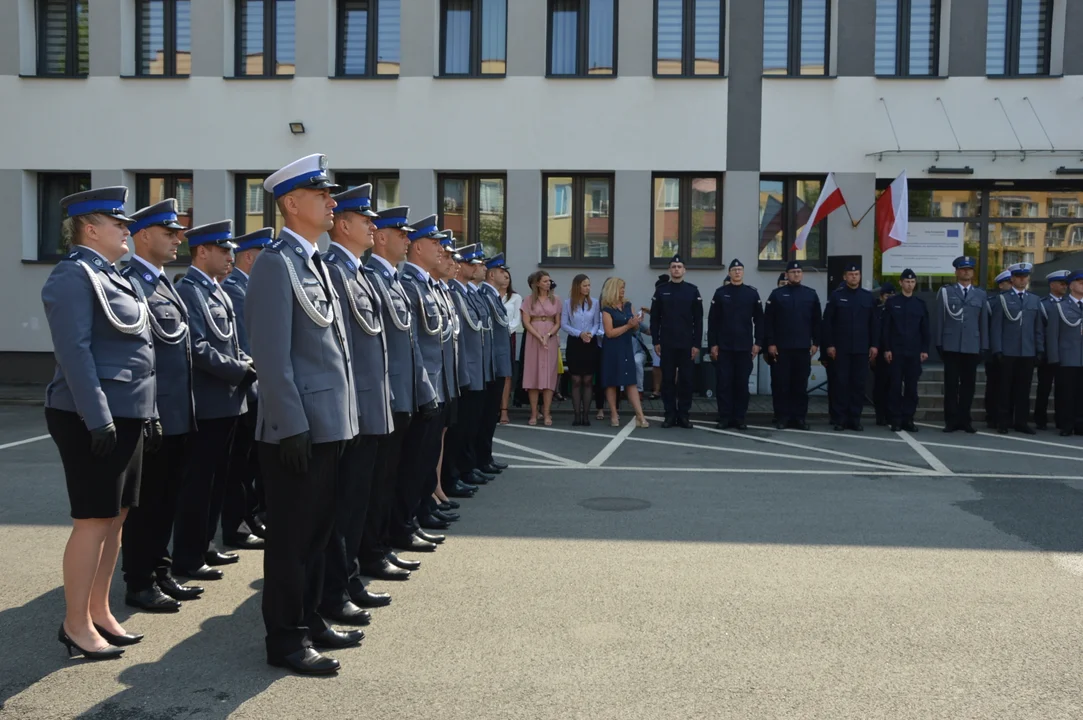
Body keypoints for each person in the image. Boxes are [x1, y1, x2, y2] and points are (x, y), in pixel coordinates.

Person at [246, 154, 361, 675]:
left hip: (329, 423)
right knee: (291, 541)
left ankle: (310, 619)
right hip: (298, 430)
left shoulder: (313, 261)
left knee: (318, 533)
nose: (331, 201)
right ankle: (286, 640)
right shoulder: (276, 263)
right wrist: (290, 424)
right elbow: (270, 356)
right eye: (322, 194)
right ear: (292, 204)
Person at [43, 186, 157, 659]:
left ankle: (99, 610)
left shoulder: (112, 275)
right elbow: (75, 352)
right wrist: (99, 417)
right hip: (91, 415)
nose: (127, 230)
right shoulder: (72, 277)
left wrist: (143, 412)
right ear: (91, 229)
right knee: (92, 520)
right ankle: (74, 624)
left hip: (126, 412)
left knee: (116, 519)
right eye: (119, 224)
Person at [119, 199, 202, 614]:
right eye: (169, 233)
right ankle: (139, 579)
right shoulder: (130, 281)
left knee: (167, 497)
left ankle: (160, 568)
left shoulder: (166, 281)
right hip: (154, 414)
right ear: (143, 235)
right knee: (146, 503)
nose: (178, 239)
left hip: (178, 413)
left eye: (178, 232)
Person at [320, 183, 394, 621]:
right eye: (366, 220)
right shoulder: (335, 269)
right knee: (344, 506)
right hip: (353, 408)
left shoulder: (358, 270)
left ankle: (347, 580)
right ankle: (338, 587)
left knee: (358, 500)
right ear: (343, 225)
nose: (373, 227)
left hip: (368, 404)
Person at [359, 206, 440, 581]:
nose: (406, 239)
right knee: (378, 483)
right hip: (386, 399)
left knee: (393, 476)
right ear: (381, 238)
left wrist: (422, 391)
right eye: (400, 233)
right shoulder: (374, 277)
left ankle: (389, 539)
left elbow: (410, 344)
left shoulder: (391, 280)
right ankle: (377, 548)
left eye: (409, 234)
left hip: (404, 395)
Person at [173, 221, 254, 582]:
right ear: (202, 251)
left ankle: (205, 543)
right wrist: (240, 370)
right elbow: (199, 347)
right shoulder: (190, 290)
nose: (230, 257)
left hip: (228, 402)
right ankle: (188, 556)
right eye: (223, 251)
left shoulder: (217, 290)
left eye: (231, 251)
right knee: (199, 484)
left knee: (220, 479)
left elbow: (230, 341)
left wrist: (242, 367)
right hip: (208, 403)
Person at [399, 214, 458, 536]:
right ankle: (414, 514)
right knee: (416, 458)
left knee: (427, 453)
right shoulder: (410, 284)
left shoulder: (427, 285)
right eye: (434, 244)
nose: (441, 250)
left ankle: (423, 508)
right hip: (424, 386)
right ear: (418, 247)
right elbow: (415, 344)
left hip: (437, 383)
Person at [220, 227, 272, 550]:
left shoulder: (248, 287)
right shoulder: (238, 290)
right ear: (251, 257)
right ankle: (239, 521)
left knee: (251, 464)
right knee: (240, 466)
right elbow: (249, 340)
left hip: (256, 387)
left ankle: (250, 516)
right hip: (248, 387)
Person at [764, 261, 821, 431]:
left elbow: (817, 321)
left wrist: (816, 342)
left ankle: (799, 418)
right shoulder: (777, 295)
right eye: (793, 271)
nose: (796, 274)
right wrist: (771, 343)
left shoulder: (811, 295)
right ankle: (782, 417)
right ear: (787, 274)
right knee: (783, 384)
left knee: (800, 385)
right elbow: (769, 322)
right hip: (782, 348)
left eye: (799, 271)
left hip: (803, 348)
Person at [707, 258, 763, 430]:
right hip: (724, 347)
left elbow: (760, 320)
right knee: (724, 383)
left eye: (740, 269)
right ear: (729, 273)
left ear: (743, 272)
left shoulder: (751, 293)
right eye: (734, 269)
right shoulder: (720, 293)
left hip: (744, 347)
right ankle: (724, 417)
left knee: (741, 384)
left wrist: (758, 342)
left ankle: (739, 418)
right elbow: (713, 321)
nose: (737, 272)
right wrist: (713, 344)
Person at [822, 262, 878, 432]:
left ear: (860, 276)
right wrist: (829, 344)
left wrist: (874, 345)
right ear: (845, 277)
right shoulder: (836, 296)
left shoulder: (868, 297)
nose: (854, 277)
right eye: (851, 274)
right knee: (841, 384)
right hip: (841, 349)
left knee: (858, 385)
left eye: (857, 274)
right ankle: (840, 419)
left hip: (861, 349)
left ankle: (855, 419)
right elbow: (828, 323)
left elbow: (874, 324)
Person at [935, 255, 988, 434]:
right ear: (956, 272)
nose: (966, 272)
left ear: (973, 272)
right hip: (951, 344)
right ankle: (951, 420)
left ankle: (965, 420)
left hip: (972, 345)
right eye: (963, 269)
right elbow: (940, 319)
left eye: (969, 269)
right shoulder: (946, 292)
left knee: (968, 385)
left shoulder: (980, 294)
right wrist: (939, 342)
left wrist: (984, 345)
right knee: (951, 385)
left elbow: (983, 323)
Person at [989, 262, 1043, 434]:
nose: (1022, 280)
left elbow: (1038, 328)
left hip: (1027, 350)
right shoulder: (1002, 298)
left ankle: (1021, 422)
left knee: (1024, 389)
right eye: (1018, 277)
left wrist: (1039, 349)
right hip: (1008, 350)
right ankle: (1003, 421)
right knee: (1005, 388)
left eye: (1024, 277)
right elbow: (996, 327)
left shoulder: (1034, 300)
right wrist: (997, 349)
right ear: (1012, 279)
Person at [651, 256, 702, 428]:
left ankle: (684, 415)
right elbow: (655, 319)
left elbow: (699, 320)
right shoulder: (661, 291)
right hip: (667, 343)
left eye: (679, 266)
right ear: (669, 270)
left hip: (687, 344)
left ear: (684, 270)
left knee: (686, 381)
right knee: (667, 381)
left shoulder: (692, 291)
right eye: (673, 266)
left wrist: (696, 344)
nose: (676, 269)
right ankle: (670, 414)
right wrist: (656, 341)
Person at [881, 269, 929, 432]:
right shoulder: (892, 302)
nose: (910, 284)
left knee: (911, 388)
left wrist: (924, 349)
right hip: (896, 351)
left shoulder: (920, 304)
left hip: (914, 352)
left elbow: (925, 329)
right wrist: (886, 348)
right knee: (894, 387)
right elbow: (886, 328)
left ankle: (908, 418)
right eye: (907, 281)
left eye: (912, 282)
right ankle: (895, 419)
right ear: (901, 283)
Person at [478, 253, 513, 473]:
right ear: (491, 275)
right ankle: (482, 458)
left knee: (489, 416)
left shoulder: (493, 296)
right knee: (485, 415)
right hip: (492, 362)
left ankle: (485, 457)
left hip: (498, 361)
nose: (506, 275)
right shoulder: (486, 295)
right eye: (502, 271)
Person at [599, 278, 649, 428]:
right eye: (621, 288)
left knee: (630, 381)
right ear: (613, 289)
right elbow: (609, 333)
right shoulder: (606, 309)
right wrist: (628, 326)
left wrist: (636, 323)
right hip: (612, 348)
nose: (623, 290)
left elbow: (634, 328)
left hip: (627, 347)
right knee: (612, 382)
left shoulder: (628, 305)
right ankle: (614, 413)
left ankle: (640, 415)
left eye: (624, 288)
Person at [1044, 269, 1083, 436]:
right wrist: (1054, 357)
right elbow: (1052, 335)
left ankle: (1080, 425)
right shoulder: (1060, 307)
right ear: (1072, 286)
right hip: (1067, 357)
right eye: (1081, 283)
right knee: (1066, 393)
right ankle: (1066, 425)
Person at [521, 270, 562, 426]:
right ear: (537, 283)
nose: (548, 283)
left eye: (549, 281)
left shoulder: (556, 300)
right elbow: (526, 321)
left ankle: (547, 413)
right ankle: (533, 413)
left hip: (549, 338)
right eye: (545, 281)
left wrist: (549, 334)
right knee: (533, 374)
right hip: (534, 337)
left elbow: (558, 322)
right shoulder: (529, 300)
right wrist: (538, 336)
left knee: (548, 375)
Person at [561, 274, 602, 426]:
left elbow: (597, 322)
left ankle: (586, 415)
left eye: (589, 285)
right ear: (577, 286)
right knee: (576, 379)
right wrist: (580, 333)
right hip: (575, 342)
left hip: (590, 343)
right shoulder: (567, 304)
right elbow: (564, 324)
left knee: (588, 379)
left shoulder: (595, 303)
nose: (587, 288)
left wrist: (590, 333)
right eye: (584, 285)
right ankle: (577, 414)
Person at [1035, 269, 1070, 429]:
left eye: (1066, 284)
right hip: (1048, 353)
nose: (1065, 287)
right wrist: (1041, 350)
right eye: (1062, 284)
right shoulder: (1043, 304)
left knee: (1063, 389)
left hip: (1066, 353)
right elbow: (1040, 330)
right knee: (1044, 387)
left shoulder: (1069, 303)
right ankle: (1040, 418)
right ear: (1052, 285)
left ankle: (1060, 419)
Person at [983, 269, 1013, 428]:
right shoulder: (992, 302)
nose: (1013, 285)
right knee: (994, 384)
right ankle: (991, 415)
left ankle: (1006, 416)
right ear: (1001, 285)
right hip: (992, 351)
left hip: (1009, 351)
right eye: (1009, 282)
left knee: (1007, 385)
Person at [871, 282, 895, 426]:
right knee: (880, 385)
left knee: (893, 386)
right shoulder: (877, 311)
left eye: (893, 295)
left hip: (895, 352)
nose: (890, 298)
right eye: (887, 296)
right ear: (881, 297)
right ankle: (880, 414)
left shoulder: (897, 310)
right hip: (879, 353)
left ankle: (890, 413)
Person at [500, 270, 522, 424]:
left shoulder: (515, 297)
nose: (506, 280)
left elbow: (516, 320)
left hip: (508, 336)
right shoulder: (488, 294)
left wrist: (505, 330)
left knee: (506, 374)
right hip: (491, 337)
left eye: (508, 277)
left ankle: (504, 410)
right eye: (504, 277)